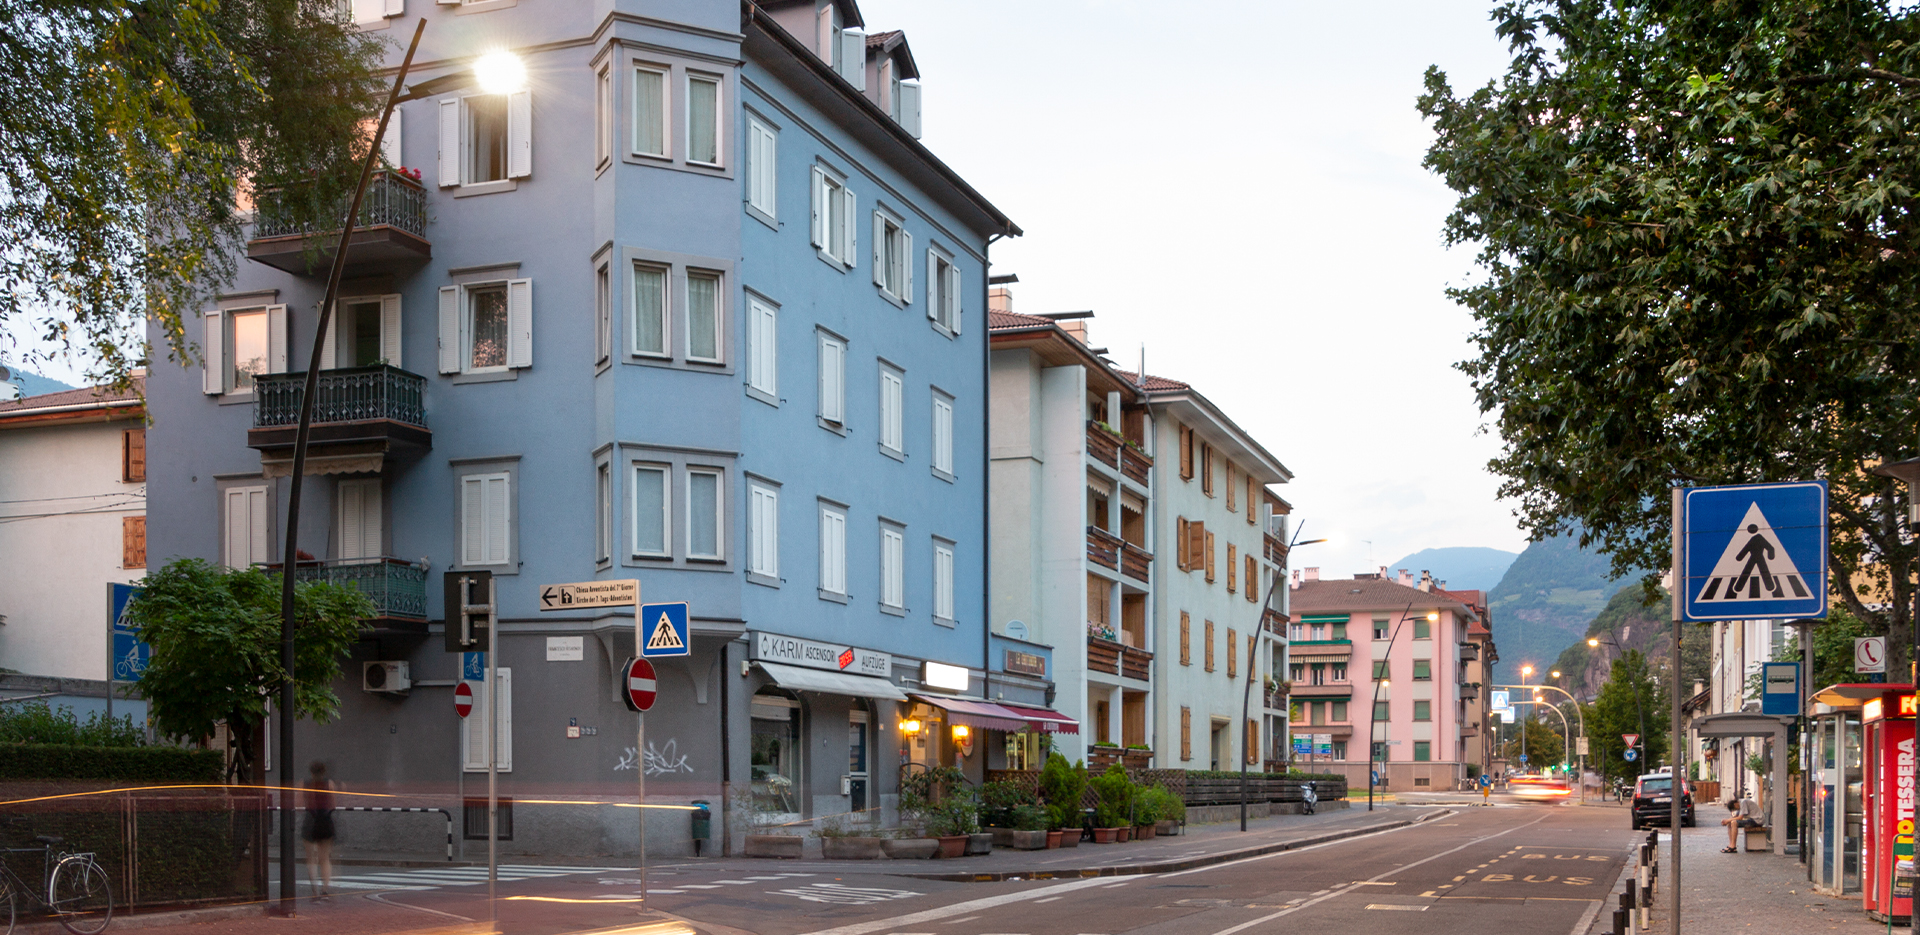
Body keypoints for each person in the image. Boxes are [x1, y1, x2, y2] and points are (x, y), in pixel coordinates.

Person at [303, 761, 337, 897]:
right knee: (325, 858)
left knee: (311, 859)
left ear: (311, 772)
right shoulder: (329, 784)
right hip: (325, 821)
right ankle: (325, 888)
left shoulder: (305, 784)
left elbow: (299, 804)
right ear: (324, 772)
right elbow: (333, 804)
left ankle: (314, 889)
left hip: (310, 821)